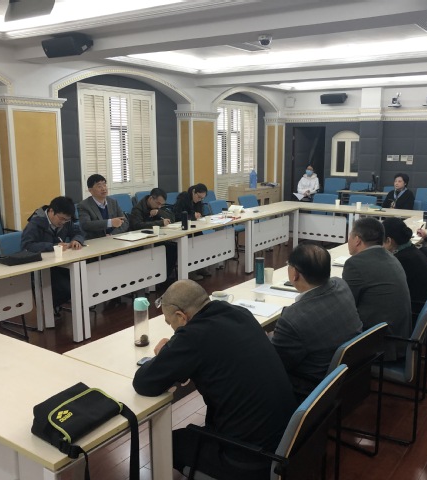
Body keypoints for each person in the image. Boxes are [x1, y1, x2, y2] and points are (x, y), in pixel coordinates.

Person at [132, 280, 297, 480]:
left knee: (167, 442)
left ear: (181, 317)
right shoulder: (239, 313)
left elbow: (144, 383)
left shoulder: (193, 336)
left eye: (170, 323)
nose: (173, 329)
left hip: (248, 459)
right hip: (285, 441)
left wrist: (166, 352)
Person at [271, 243, 362, 401]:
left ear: (294, 274)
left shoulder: (293, 319)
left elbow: (276, 365)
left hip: (311, 387)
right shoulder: (341, 285)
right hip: (347, 377)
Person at [342, 217, 412, 360]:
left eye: (350, 236)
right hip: (400, 339)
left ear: (357, 240)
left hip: (380, 346)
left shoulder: (355, 264)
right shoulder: (391, 257)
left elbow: (346, 308)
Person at [21, 196, 85, 310]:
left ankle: (55, 305)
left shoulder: (66, 221)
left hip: (60, 263)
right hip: (43, 267)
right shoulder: (35, 223)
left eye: (67, 220)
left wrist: (77, 240)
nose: (63, 222)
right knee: (68, 288)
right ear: (51, 211)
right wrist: (53, 246)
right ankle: (50, 308)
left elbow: (78, 232)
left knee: (81, 280)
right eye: (61, 218)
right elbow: (27, 245)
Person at [382, 217, 427, 318]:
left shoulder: (401, 261)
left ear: (389, 241)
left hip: (413, 311)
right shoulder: (413, 252)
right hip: (423, 306)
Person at [130, 188, 177, 282]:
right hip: (142, 241)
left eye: (161, 205)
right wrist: (160, 223)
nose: (159, 206)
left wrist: (159, 212)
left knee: (173, 247)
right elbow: (137, 226)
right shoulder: (137, 209)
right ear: (151, 198)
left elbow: (172, 218)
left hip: (156, 238)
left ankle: (165, 276)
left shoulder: (158, 206)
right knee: (169, 248)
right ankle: (161, 278)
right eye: (158, 203)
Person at [77, 174, 129, 240]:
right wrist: (110, 223)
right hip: (95, 241)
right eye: (99, 186)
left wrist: (112, 235)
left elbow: (125, 222)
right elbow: (86, 225)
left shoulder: (113, 202)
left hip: (114, 238)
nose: (103, 188)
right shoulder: (84, 205)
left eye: (104, 185)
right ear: (90, 190)